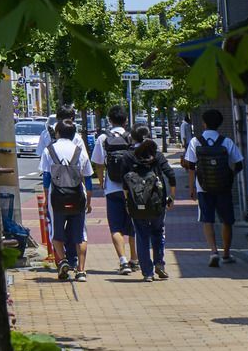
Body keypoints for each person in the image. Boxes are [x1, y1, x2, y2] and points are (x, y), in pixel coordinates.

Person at [182, 106, 246, 267]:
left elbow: (191, 166)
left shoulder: (195, 141)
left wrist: (192, 188)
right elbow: (239, 163)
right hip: (223, 187)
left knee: (207, 220)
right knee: (227, 221)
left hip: (204, 187)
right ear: (219, 124)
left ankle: (213, 251)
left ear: (203, 123)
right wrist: (229, 176)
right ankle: (226, 253)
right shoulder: (227, 141)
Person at [42, 117, 91, 281]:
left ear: (57, 132)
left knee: (56, 232)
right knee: (80, 234)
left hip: (56, 197)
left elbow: (46, 178)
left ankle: (62, 260)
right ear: (73, 134)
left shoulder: (49, 150)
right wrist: (89, 201)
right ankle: (81, 271)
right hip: (78, 196)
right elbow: (88, 179)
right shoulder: (80, 151)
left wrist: (45, 199)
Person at [92, 105, 138, 273]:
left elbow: (98, 163)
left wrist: (102, 181)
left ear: (109, 120)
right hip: (132, 188)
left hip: (112, 189)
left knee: (115, 227)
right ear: (126, 120)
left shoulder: (103, 138)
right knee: (134, 224)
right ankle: (135, 259)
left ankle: (123, 261)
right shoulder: (132, 137)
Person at [122, 126, 171, 281]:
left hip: (137, 201)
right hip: (157, 201)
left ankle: (147, 273)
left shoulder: (128, 156)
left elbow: (124, 181)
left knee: (142, 236)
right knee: (158, 231)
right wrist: (171, 196)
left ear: (133, 138)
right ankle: (159, 263)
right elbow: (170, 174)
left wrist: (127, 200)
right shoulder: (156, 155)